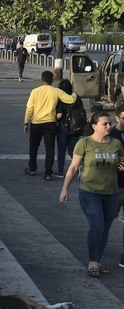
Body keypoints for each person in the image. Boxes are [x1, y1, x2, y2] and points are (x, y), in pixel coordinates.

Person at [59, 111, 124, 277]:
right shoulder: (84, 143)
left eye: (109, 123)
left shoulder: (116, 143)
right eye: (105, 124)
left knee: (105, 228)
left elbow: (120, 165)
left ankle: (98, 261)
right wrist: (65, 189)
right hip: (89, 192)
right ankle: (93, 261)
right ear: (94, 126)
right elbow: (73, 167)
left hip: (112, 192)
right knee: (97, 226)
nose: (109, 126)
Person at [23, 71, 77, 181]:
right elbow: (71, 99)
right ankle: (48, 173)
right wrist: (75, 92)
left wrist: (26, 122)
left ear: (41, 80)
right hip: (50, 124)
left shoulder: (35, 91)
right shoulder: (56, 91)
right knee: (50, 149)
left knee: (33, 147)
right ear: (52, 81)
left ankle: (32, 168)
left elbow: (29, 108)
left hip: (36, 123)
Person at [54, 79, 85, 177]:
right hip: (76, 127)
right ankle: (79, 166)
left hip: (64, 126)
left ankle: (60, 171)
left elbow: (59, 115)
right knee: (73, 150)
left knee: (61, 150)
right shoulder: (77, 98)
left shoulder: (61, 99)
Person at [110, 105, 124, 266]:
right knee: (107, 221)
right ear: (117, 118)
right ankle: (99, 247)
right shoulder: (112, 135)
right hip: (115, 186)